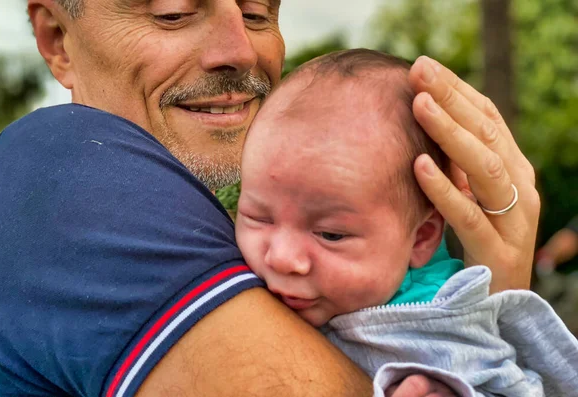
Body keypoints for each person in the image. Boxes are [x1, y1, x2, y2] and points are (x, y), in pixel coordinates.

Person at [0, 1, 540, 396]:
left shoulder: (252, 245)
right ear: (57, 39)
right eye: (171, 12)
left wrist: (483, 305)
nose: (239, 50)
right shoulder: (61, 162)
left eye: (257, 13)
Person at [235, 49, 578, 397]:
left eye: (331, 234)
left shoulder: (442, 327)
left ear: (421, 238)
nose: (281, 257)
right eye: (258, 217)